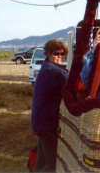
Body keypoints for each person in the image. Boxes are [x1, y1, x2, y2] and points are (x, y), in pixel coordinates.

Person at [31, 39, 69, 172]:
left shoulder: (47, 67)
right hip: (47, 124)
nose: (60, 56)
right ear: (48, 54)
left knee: (42, 161)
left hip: (41, 122)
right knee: (52, 163)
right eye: (56, 53)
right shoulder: (54, 72)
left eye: (62, 54)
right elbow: (73, 83)